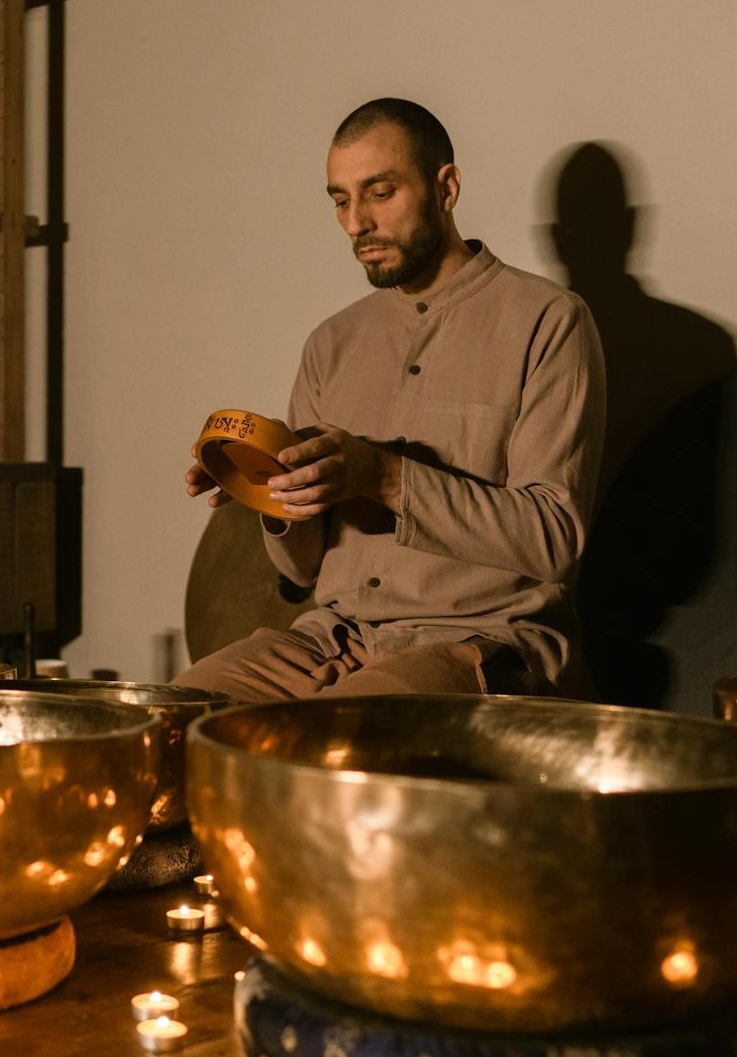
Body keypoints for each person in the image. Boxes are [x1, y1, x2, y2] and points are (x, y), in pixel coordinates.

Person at [178, 99, 606, 701]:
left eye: (380, 193)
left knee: (323, 747)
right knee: (163, 725)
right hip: (332, 640)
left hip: (483, 642)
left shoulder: (548, 320)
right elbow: (300, 571)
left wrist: (382, 476)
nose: (356, 222)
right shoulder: (331, 342)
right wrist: (272, 490)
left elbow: (554, 537)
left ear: (446, 188)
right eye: (340, 199)